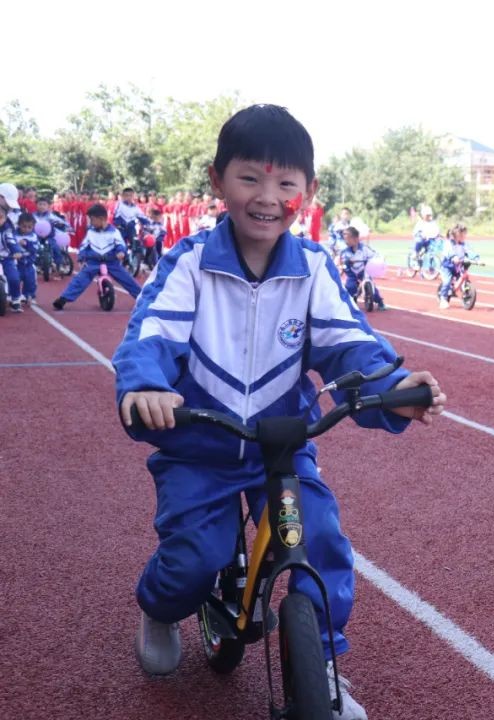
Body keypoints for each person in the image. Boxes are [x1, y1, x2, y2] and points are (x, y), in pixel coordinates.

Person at [111, 105, 444, 720]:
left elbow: (350, 343)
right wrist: (145, 386)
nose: (268, 198)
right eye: (250, 179)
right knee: (194, 558)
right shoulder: (189, 263)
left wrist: (395, 385)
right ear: (217, 181)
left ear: (309, 193)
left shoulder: (313, 268)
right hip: (199, 446)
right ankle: (159, 609)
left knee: (319, 539)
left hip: (280, 445)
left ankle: (318, 662)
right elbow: (151, 333)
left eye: (286, 184)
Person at [52, 203, 143, 309]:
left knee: (127, 279)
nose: (90, 222)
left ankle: (143, 298)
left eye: (92, 219)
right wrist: (81, 257)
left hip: (111, 261)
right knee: (80, 279)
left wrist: (121, 252)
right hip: (93, 262)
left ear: (101, 219)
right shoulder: (90, 232)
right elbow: (83, 246)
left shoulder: (114, 232)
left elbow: (120, 244)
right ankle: (63, 299)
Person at [339, 225, 385, 311]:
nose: (346, 241)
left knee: (372, 287)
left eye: (348, 239)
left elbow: (374, 255)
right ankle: (350, 300)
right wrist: (346, 264)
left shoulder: (364, 249)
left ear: (356, 239)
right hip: (352, 273)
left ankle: (379, 301)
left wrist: (376, 260)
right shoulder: (345, 252)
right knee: (350, 287)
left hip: (363, 271)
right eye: (345, 239)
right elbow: (343, 262)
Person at [437, 223, 472, 309]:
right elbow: (449, 252)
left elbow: (470, 251)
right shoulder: (449, 243)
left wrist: (476, 258)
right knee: (447, 281)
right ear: (457, 234)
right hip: (447, 266)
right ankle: (443, 299)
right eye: (463, 234)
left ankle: (461, 291)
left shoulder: (463, 244)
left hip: (458, 265)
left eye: (465, 234)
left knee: (464, 276)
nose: (464, 236)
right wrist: (454, 257)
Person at [34, 196, 73, 267]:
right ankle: (36, 264)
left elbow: (62, 221)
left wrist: (68, 227)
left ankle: (59, 264)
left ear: (48, 206)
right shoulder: (33, 215)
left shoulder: (51, 216)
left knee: (55, 248)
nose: (42, 206)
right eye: (40, 204)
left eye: (44, 204)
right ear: (36, 205)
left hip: (49, 237)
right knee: (34, 248)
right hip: (36, 237)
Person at [0, 204, 23, 312]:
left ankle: (15, 299)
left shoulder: (7, 231)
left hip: (6, 258)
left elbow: (12, 242)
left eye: (0, 217)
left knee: (14, 278)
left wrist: (17, 251)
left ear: (5, 219)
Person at [15, 212, 39, 306]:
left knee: (30, 280)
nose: (26, 229)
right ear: (19, 225)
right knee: (15, 279)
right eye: (24, 226)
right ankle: (15, 296)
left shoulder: (33, 236)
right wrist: (17, 244)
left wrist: (27, 244)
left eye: (29, 227)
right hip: (17, 263)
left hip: (28, 263)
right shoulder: (14, 235)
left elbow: (35, 248)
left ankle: (29, 295)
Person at [412, 204, 440, 270]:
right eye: (427, 215)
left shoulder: (433, 223)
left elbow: (436, 230)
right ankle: (415, 255)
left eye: (429, 215)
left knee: (431, 250)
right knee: (419, 241)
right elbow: (416, 231)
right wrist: (421, 234)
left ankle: (431, 265)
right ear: (423, 215)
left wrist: (438, 234)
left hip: (429, 239)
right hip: (422, 239)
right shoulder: (420, 223)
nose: (428, 217)